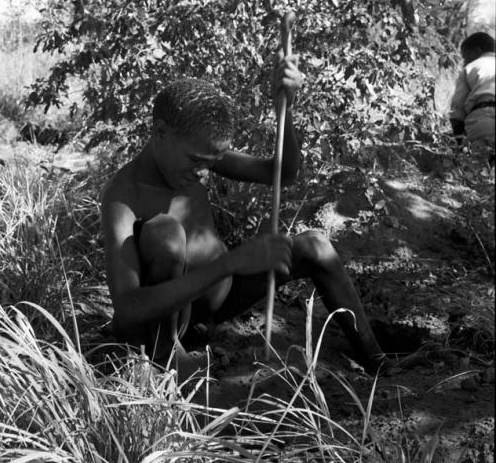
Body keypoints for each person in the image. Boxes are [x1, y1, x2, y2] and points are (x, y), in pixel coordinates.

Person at [101, 51, 390, 376]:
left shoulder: (197, 157)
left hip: (222, 297)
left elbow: (283, 173)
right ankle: (167, 353)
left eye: (212, 163)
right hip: (171, 315)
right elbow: (126, 309)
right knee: (165, 233)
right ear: (160, 132)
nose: (205, 173)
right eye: (197, 161)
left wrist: (286, 109)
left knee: (315, 247)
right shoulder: (123, 197)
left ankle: (376, 360)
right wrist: (231, 262)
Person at [449, 32, 495, 151]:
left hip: (484, 120)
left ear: (477, 51)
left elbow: (457, 110)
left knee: (480, 167)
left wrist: (458, 142)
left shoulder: (471, 67)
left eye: (465, 57)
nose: (464, 62)